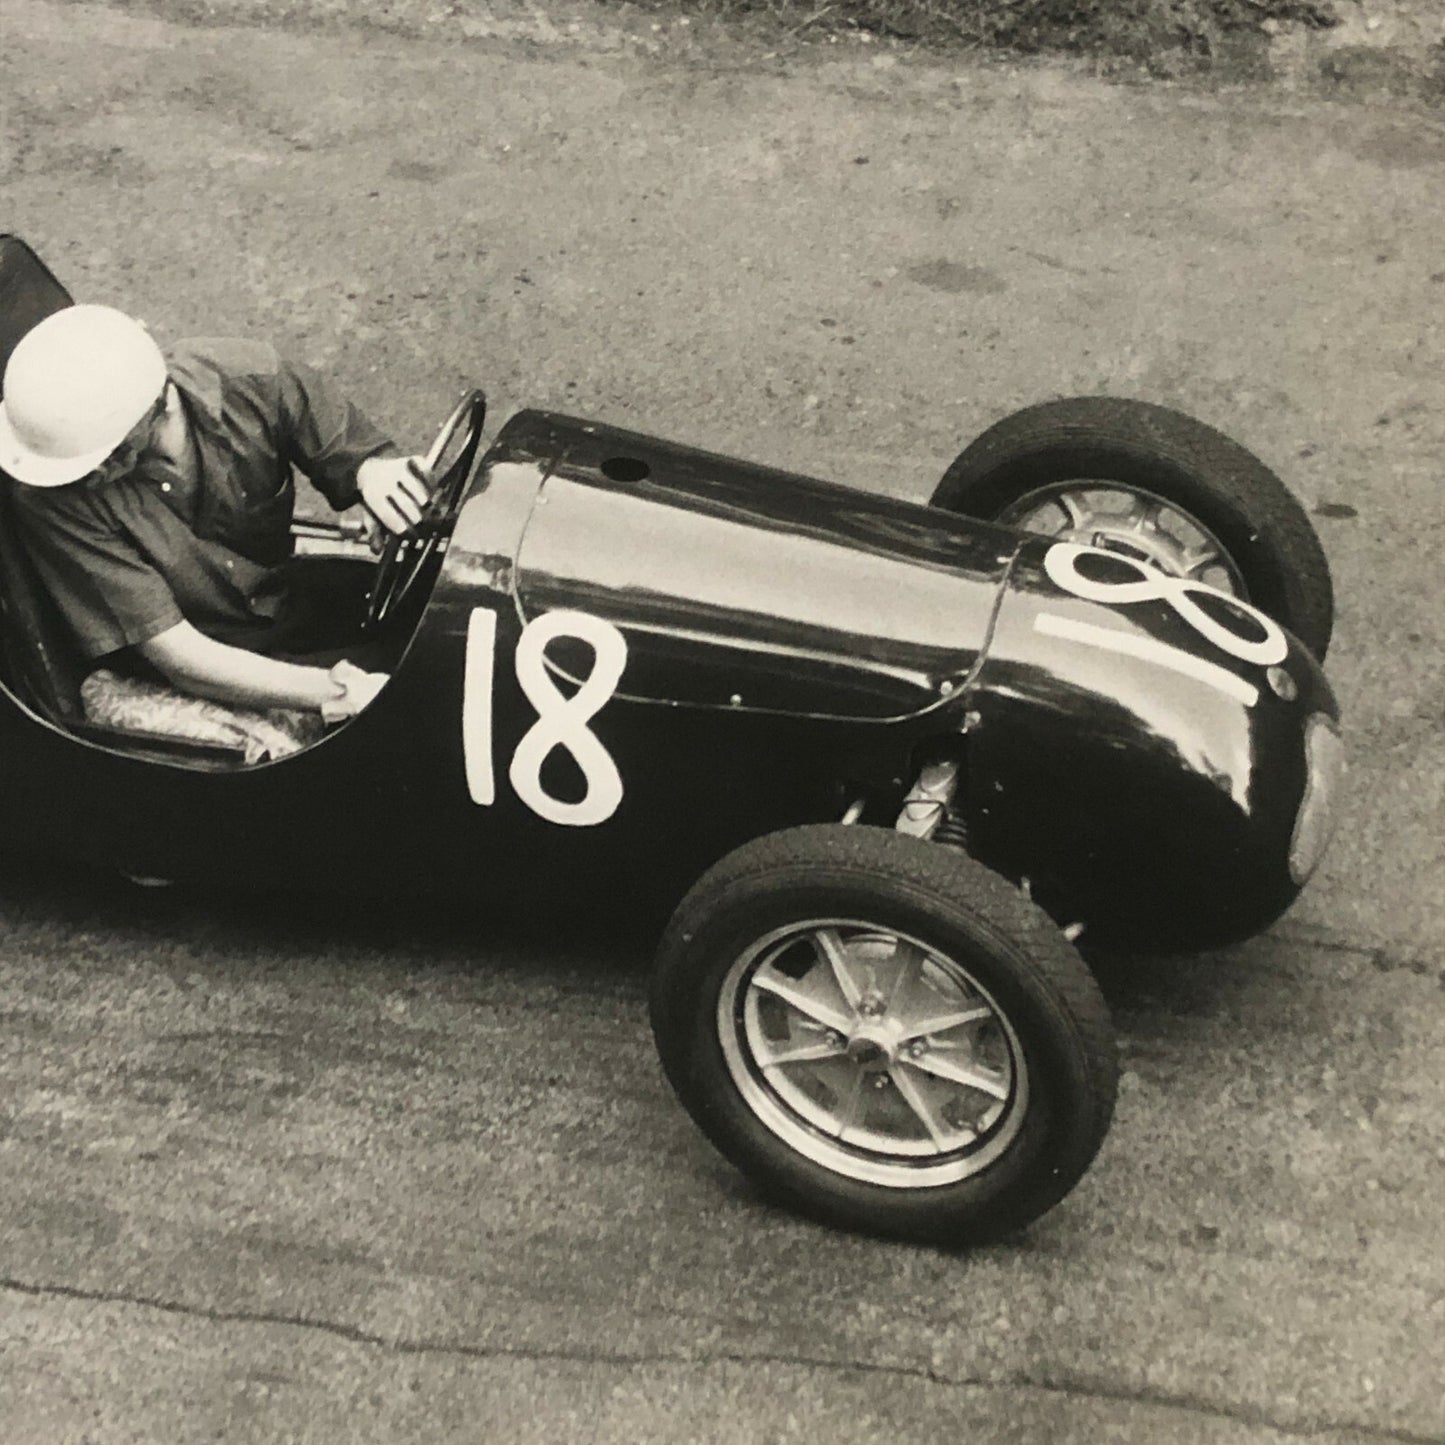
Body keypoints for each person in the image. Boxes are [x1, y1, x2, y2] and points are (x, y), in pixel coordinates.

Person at [0, 303, 430, 724]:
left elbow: (352, 452)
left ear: (158, 402)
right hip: (199, 666)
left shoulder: (253, 379)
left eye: (104, 459)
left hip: (283, 602)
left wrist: (372, 473)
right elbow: (180, 658)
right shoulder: (51, 497)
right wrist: (340, 692)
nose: (87, 475)